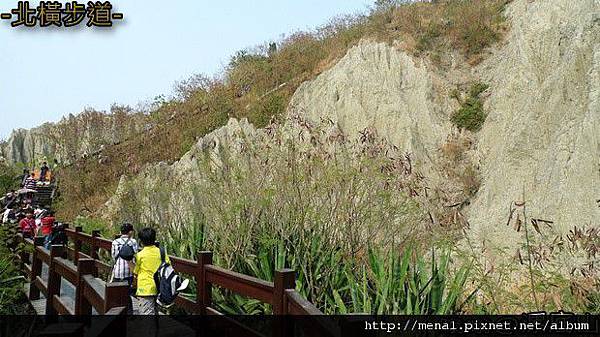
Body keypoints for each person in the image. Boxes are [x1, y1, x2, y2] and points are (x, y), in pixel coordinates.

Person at [131, 227, 169, 315]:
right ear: (154, 238)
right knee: (156, 313)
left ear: (141, 241)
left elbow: (135, 272)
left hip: (145, 288)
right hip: (161, 287)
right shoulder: (162, 252)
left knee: (147, 315)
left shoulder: (140, 255)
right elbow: (168, 266)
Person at [111, 223, 138, 314]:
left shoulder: (115, 242)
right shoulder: (133, 242)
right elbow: (135, 256)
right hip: (129, 272)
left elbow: (113, 256)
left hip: (118, 271)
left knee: (116, 293)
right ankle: (129, 312)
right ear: (130, 232)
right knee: (127, 293)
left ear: (121, 232)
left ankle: (115, 311)